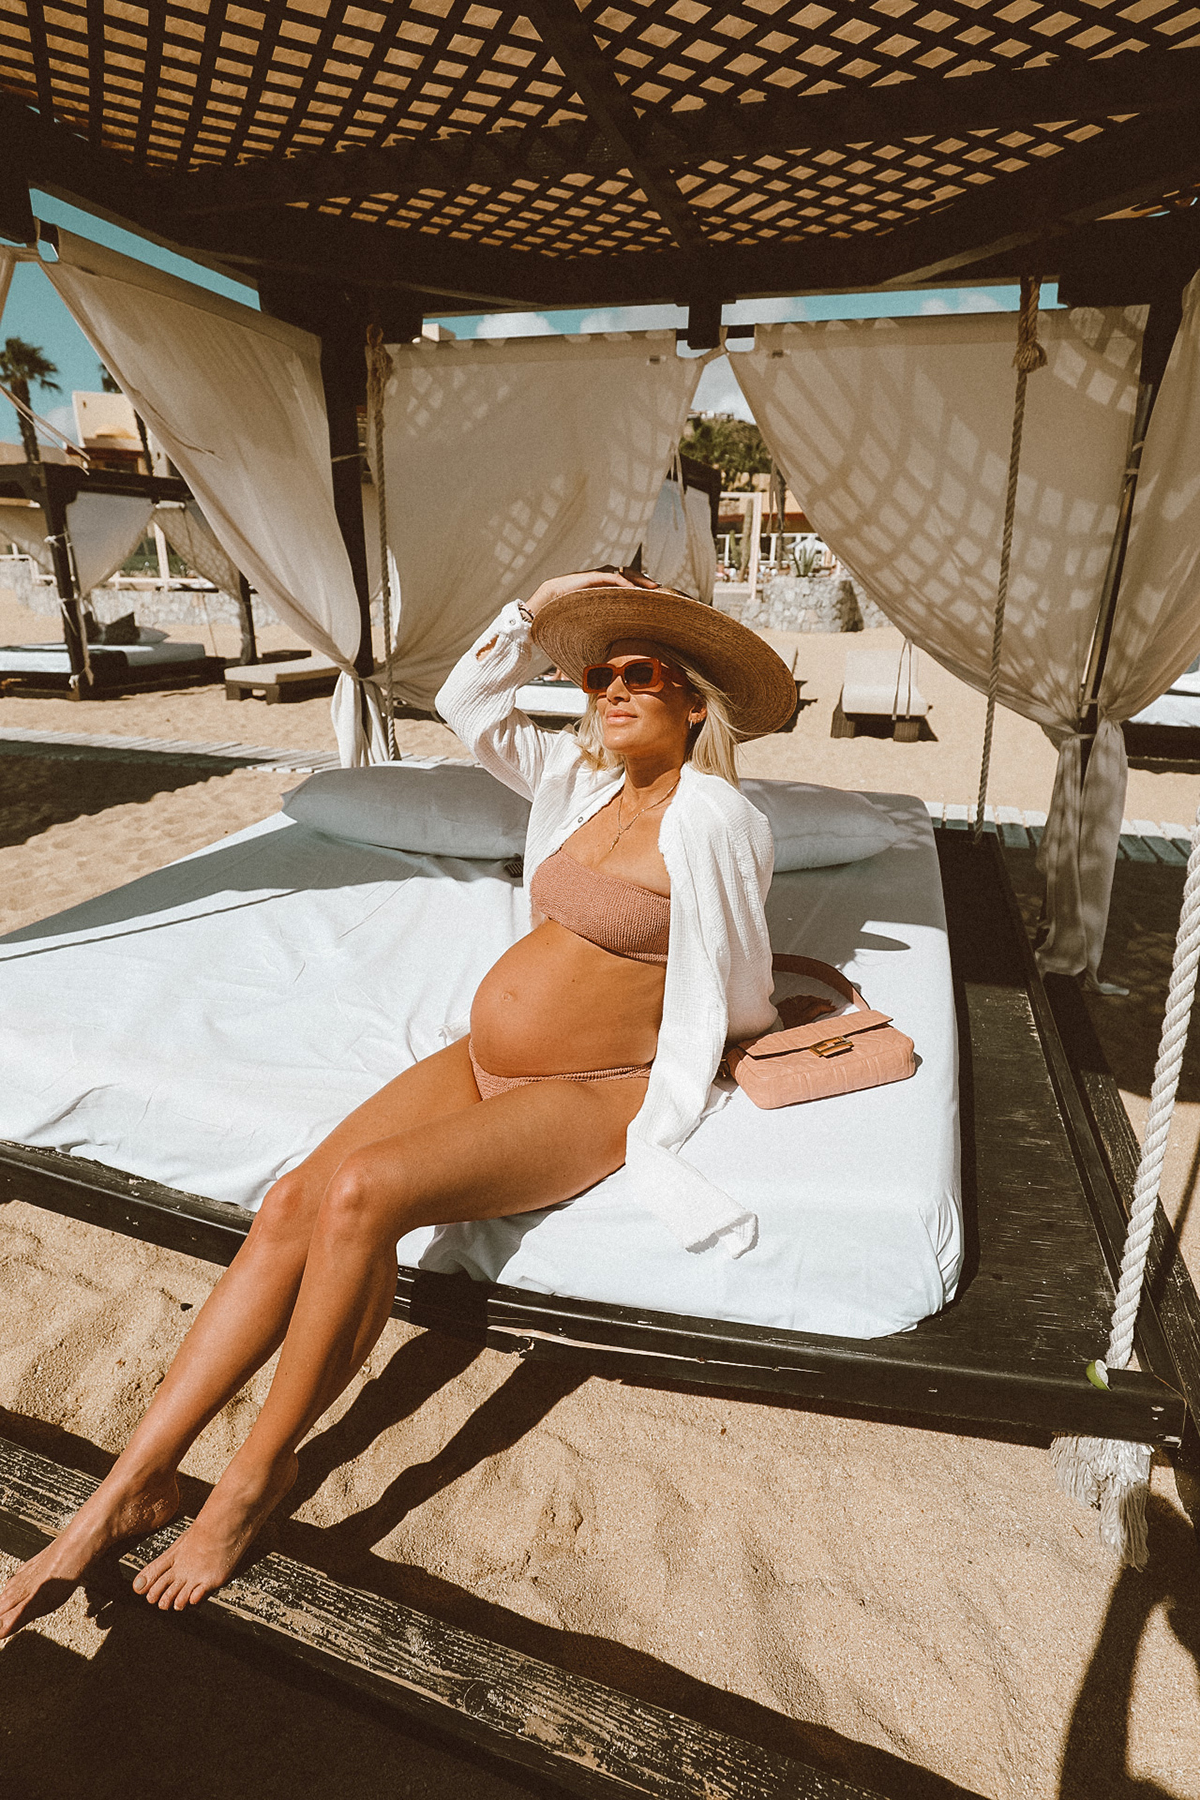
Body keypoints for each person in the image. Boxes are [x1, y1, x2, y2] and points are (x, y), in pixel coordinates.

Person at [0, 567, 797, 1638]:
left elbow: (737, 977)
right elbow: (468, 703)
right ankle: (129, 1485)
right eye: (598, 674)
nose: (612, 690)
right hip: (481, 1058)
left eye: (640, 674)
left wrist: (725, 1048)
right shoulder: (582, 782)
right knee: (294, 1198)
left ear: (694, 702)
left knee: (363, 1192)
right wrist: (536, 611)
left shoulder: (719, 820)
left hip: (590, 1090)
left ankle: (253, 1480)